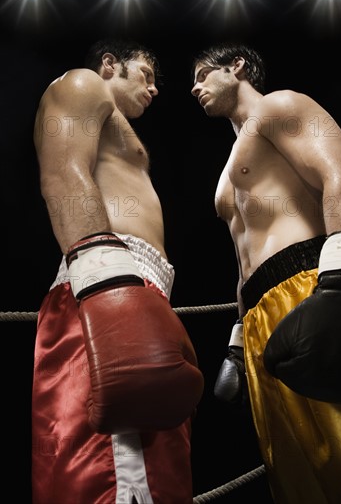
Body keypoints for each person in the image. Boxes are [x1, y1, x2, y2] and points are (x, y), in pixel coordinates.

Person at [191, 42, 341, 504]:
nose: (195, 86)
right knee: (295, 474)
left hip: (314, 289)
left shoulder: (279, 106)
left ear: (238, 67)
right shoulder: (226, 174)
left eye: (204, 74)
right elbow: (242, 257)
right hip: (258, 322)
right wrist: (236, 340)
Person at [32, 37, 204, 504]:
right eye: (145, 75)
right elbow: (63, 172)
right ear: (110, 65)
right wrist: (104, 278)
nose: (153, 89)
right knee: (110, 476)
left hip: (137, 288)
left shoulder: (121, 128)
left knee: (159, 474)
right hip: (103, 285)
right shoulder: (83, 84)